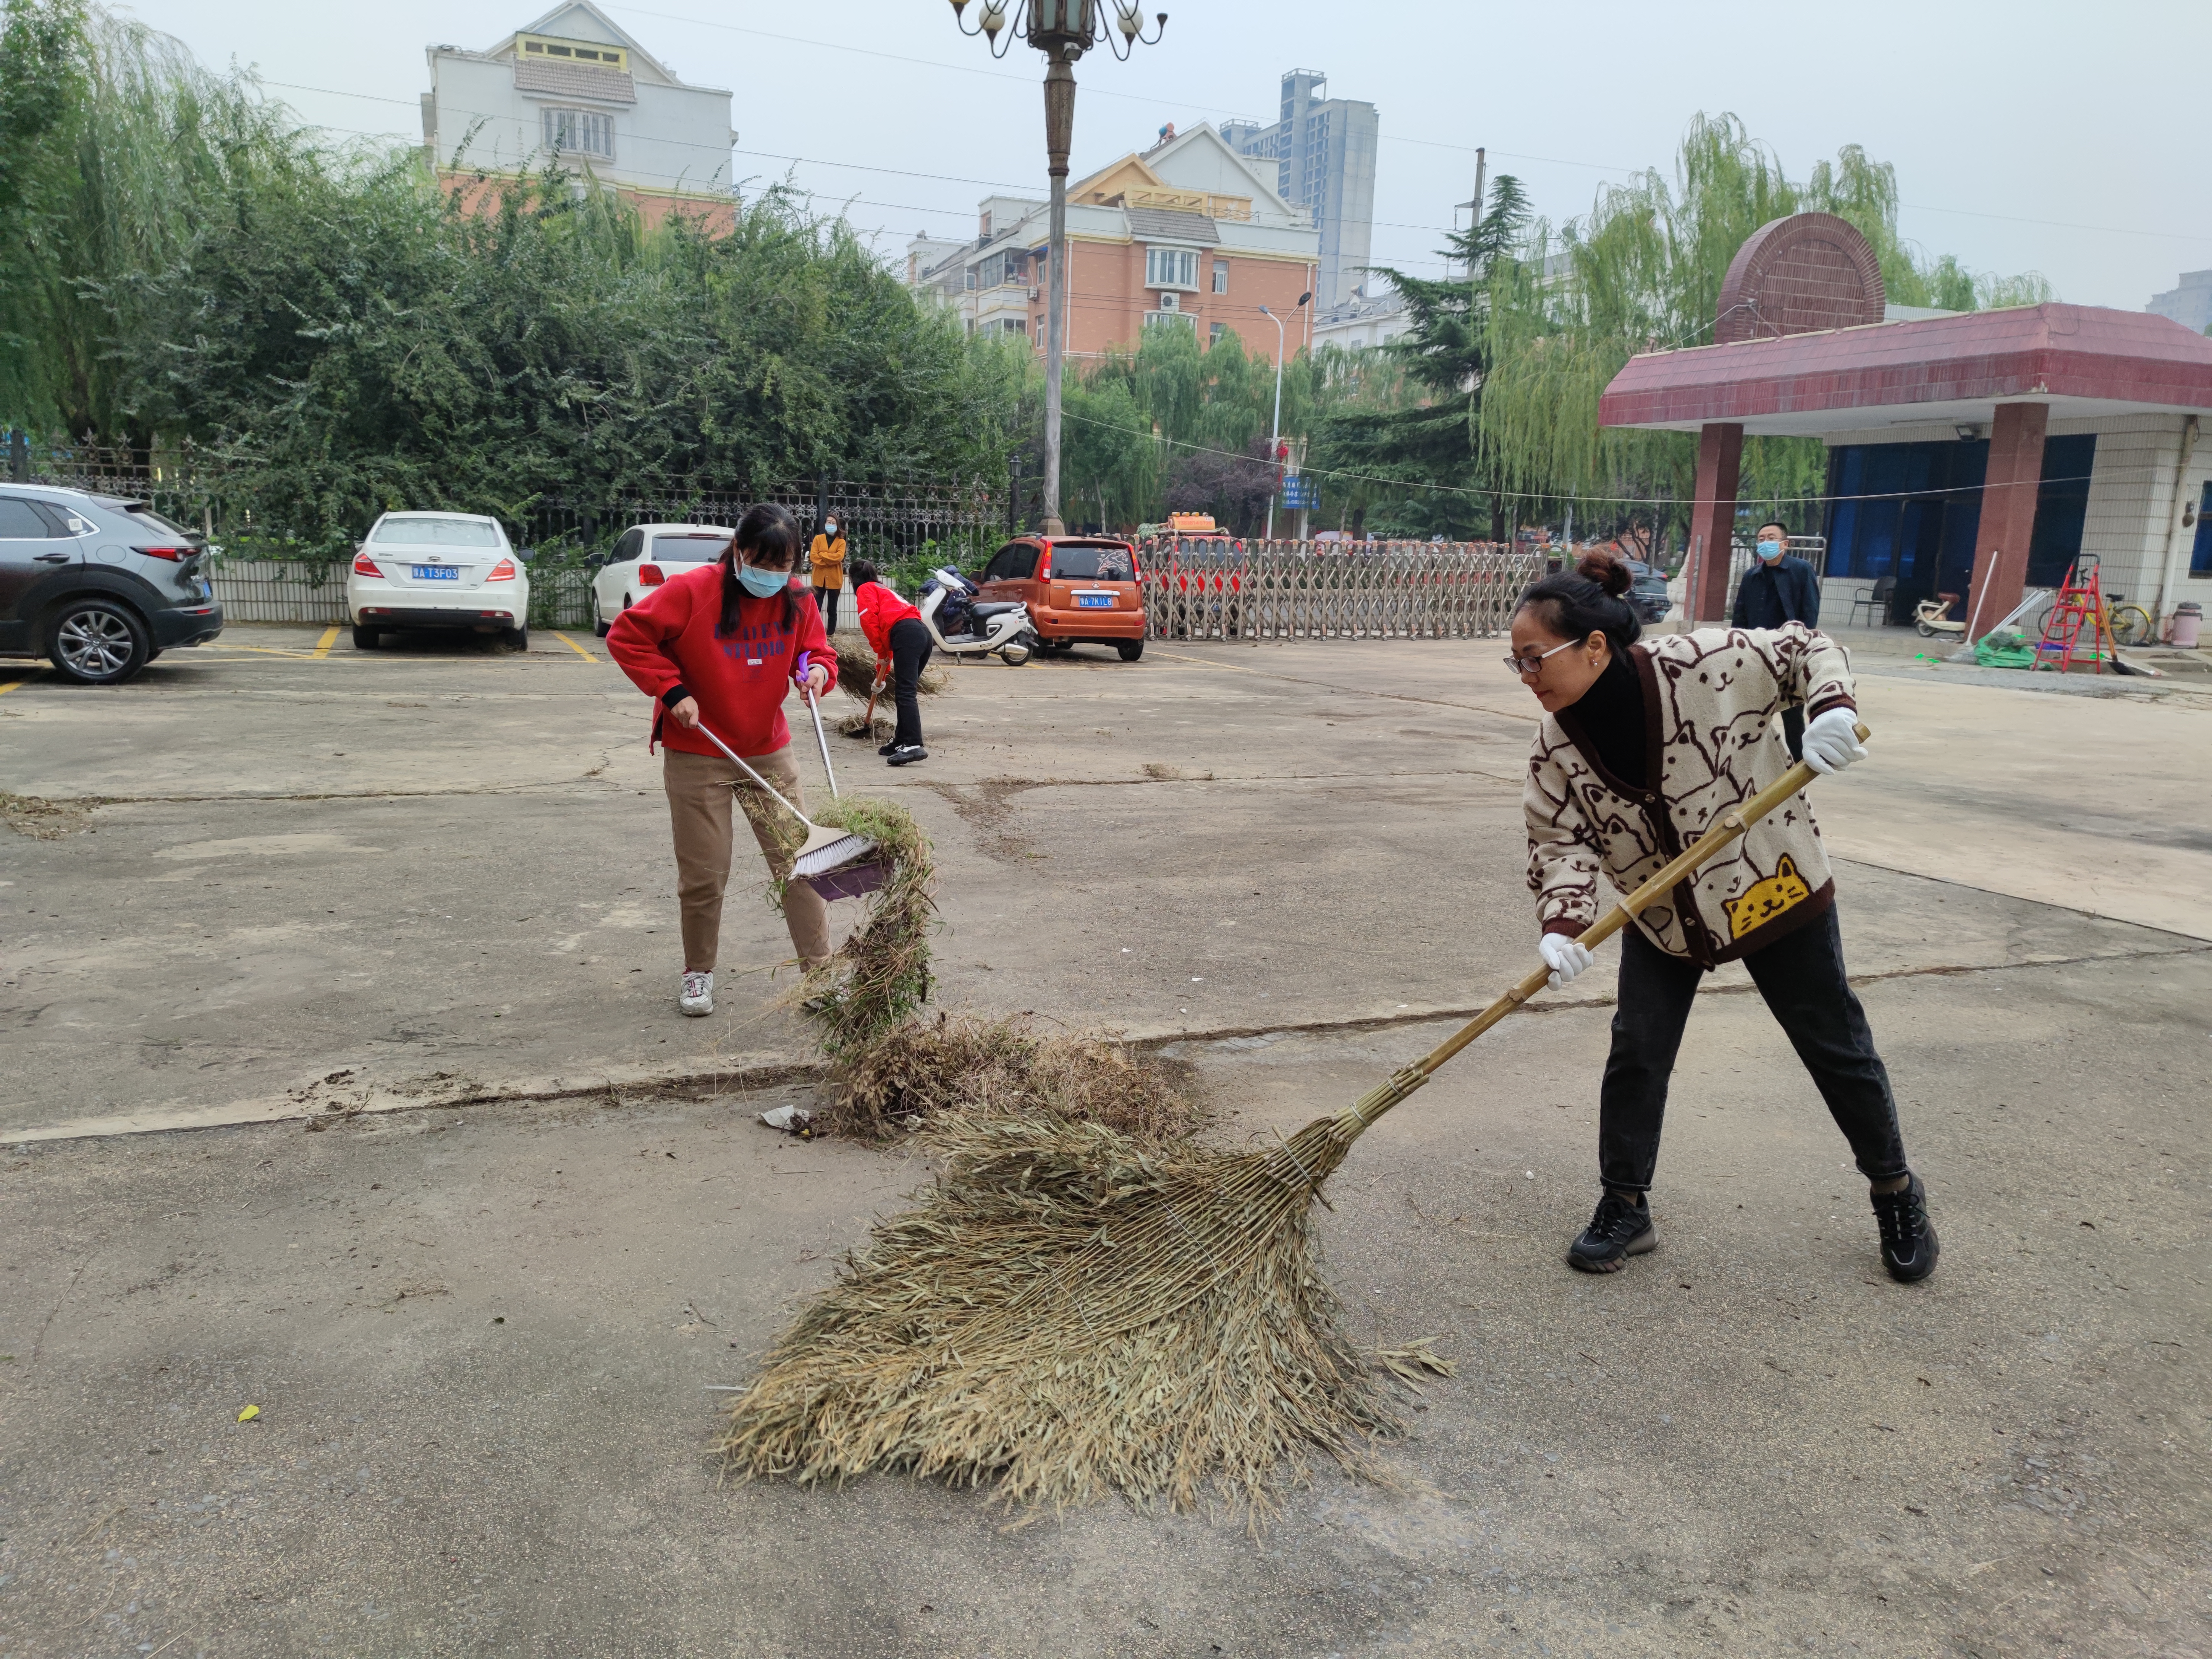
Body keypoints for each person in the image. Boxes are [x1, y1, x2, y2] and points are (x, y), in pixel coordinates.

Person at [1512, 550, 1938, 1284]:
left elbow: (1807, 648)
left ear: (1592, 646)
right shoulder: (1556, 744)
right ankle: (1625, 1202)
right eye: (1513, 663)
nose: (1526, 677)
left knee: (1833, 1041)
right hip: (1661, 913)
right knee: (1637, 1052)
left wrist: (1831, 709)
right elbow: (1559, 836)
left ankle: (1895, 1190)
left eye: (1533, 658)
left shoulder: (1703, 662)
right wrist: (1562, 922)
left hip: (1769, 883)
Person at [608, 503, 836, 1017]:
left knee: (801, 864)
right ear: (738, 552)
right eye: (763, 564)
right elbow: (628, 636)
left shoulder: (797, 598)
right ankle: (698, 974)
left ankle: (820, 976)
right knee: (705, 873)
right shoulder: (693, 592)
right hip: (699, 750)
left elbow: (816, 652)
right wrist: (671, 691)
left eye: (784, 568)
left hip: (767, 749)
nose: (773, 577)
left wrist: (817, 673)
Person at [1730, 519, 1822, 758]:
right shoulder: (1752, 576)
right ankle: (1750, 761)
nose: (1765, 543)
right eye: (1761, 539)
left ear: (1785, 543)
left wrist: (1803, 644)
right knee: (1752, 712)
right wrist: (1737, 645)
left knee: (1793, 714)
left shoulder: (1801, 570)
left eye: (1771, 538)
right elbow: (1740, 614)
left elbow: (1810, 610)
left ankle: (1801, 765)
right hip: (1757, 652)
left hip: (1789, 653)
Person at [850, 559, 931, 767]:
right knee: (905, 690)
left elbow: (870, 623)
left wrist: (880, 653)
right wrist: (881, 677)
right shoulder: (883, 589)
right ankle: (901, 740)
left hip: (906, 633)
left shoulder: (865, 589)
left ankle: (913, 744)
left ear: (853, 580)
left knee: (905, 692)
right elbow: (886, 644)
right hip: (921, 633)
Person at [808, 515, 848, 634]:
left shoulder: (841, 541)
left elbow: (839, 558)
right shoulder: (818, 539)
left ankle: (830, 635)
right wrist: (829, 560)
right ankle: (814, 633)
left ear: (837, 526)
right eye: (828, 522)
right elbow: (814, 557)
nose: (830, 525)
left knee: (832, 610)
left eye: (833, 523)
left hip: (835, 581)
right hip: (819, 580)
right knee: (816, 608)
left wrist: (822, 555)